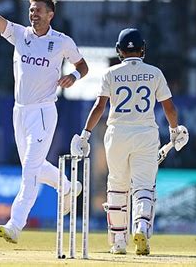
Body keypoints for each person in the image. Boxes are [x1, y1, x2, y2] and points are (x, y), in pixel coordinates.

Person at [0, 0, 89, 244]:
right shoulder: (20, 34)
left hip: (44, 111)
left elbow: (83, 67)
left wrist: (73, 77)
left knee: (30, 171)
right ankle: (68, 187)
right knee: (33, 167)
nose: (33, 15)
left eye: (39, 11)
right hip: (19, 111)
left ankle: (15, 224)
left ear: (51, 14)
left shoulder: (62, 41)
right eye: (31, 10)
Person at [71, 28, 189, 255]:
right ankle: (142, 227)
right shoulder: (154, 73)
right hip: (146, 134)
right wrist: (174, 131)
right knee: (144, 186)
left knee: (117, 186)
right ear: (143, 49)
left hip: (117, 135)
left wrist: (85, 133)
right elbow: (170, 108)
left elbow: (99, 108)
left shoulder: (110, 73)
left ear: (119, 51)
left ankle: (118, 241)